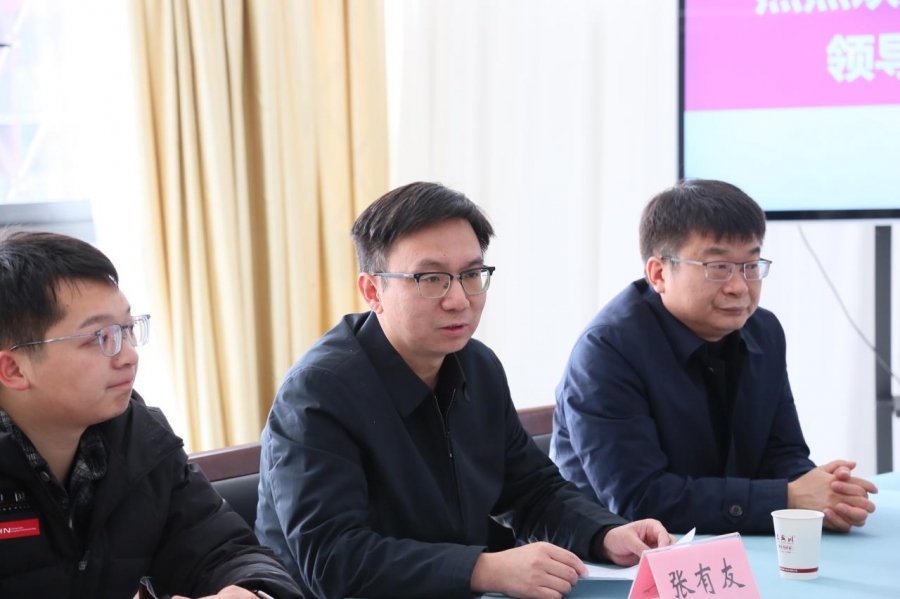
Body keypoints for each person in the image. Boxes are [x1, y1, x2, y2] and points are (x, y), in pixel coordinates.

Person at [255, 182, 673, 599]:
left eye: (471, 275)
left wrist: (606, 533)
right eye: (431, 279)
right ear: (372, 291)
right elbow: (333, 560)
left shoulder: (477, 365)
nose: (458, 299)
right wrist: (483, 569)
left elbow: (532, 489)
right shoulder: (318, 392)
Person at [552, 178, 878, 535]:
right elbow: (641, 499)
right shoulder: (606, 352)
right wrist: (789, 497)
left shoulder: (764, 331)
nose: (739, 286)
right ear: (659, 274)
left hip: (729, 544)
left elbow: (781, 454)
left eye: (751, 265)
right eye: (719, 267)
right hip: (616, 556)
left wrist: (828, 496)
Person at [0, 231, 302, 599]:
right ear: (13, 370)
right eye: (98, 337)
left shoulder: (141, 439)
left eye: (127, 329)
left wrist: (253, 592)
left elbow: (224, 552)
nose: (129, 355)